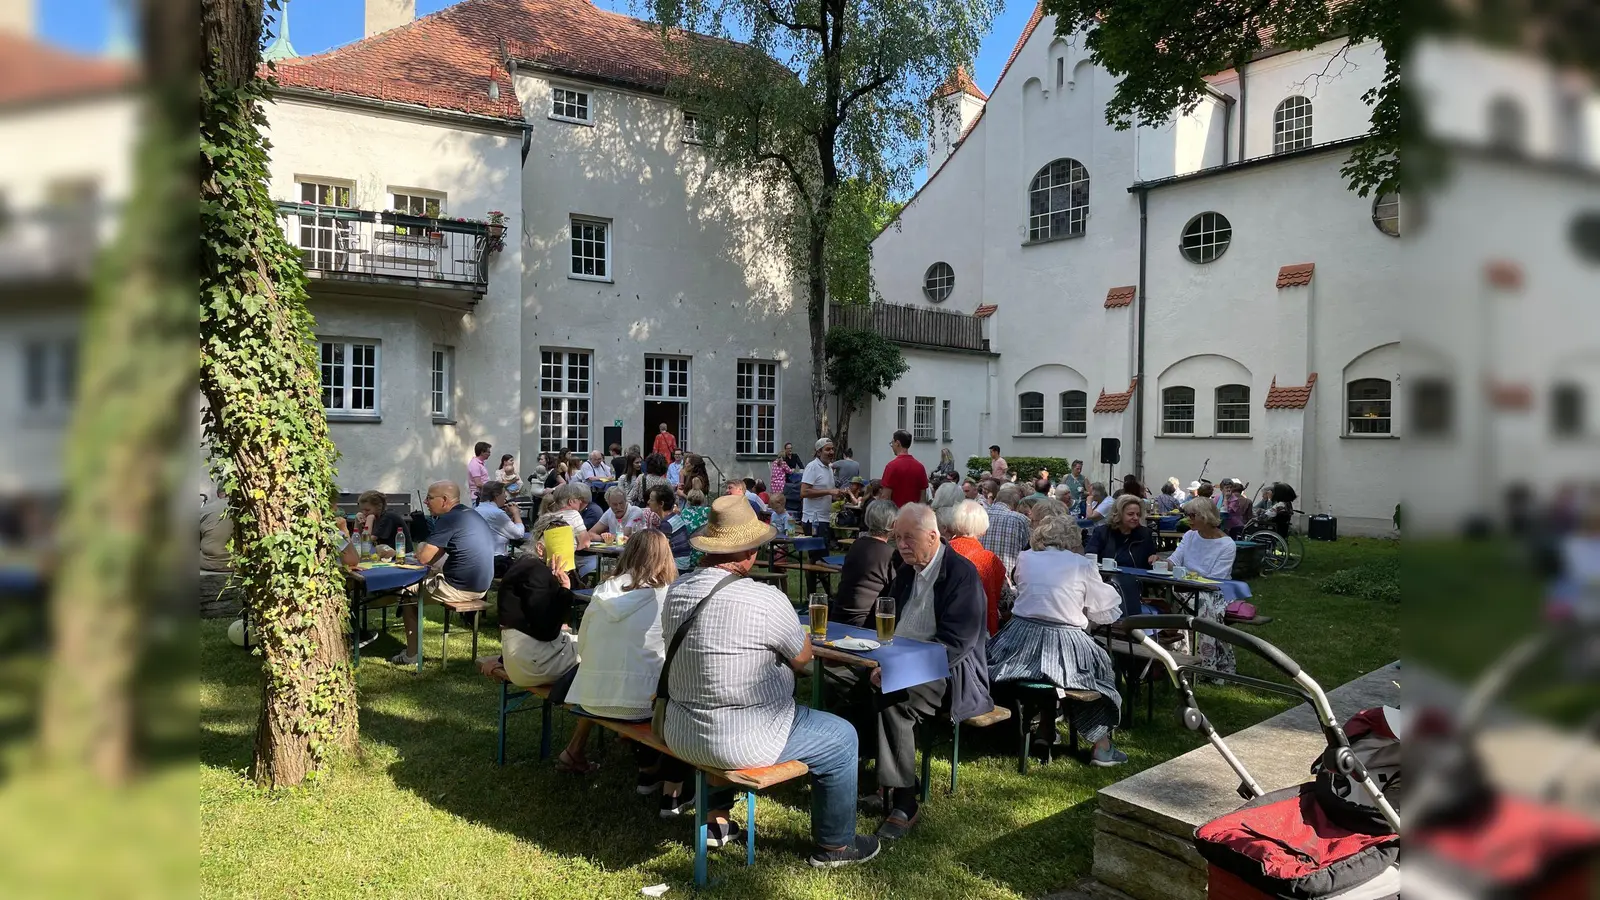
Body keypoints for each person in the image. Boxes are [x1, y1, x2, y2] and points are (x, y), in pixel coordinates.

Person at [660, 496, 880, 866]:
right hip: (742, 737)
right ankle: (835, 846)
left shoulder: (676, 591)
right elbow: (802, 658)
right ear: (747, 552)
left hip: (680, 729)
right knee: (842, 737)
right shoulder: (765, 599)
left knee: (725, 705)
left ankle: (717, 815)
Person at [855, 504, 991, 840]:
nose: (900, 544)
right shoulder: (906, 570)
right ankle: (875, 780)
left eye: (908, 538)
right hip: (900, 659)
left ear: (933, 537)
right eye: (897, 537)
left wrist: (900, 670)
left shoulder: (960, 573)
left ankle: (904, 800)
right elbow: (879, 620)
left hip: (948, 671)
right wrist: (880, 662)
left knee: (894, 698)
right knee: (846, 681)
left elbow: (957, 644)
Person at [988, 515, 1127, 766]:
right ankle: (1101, 746)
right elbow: (1105, 609)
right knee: (1101, 669)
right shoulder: (1080, 563)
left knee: (1046, 671)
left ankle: (1044, 730)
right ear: (1072, 538)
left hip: (1019, 640)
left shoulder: (1026, 557)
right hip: (1063, 639)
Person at [564, 530, 677, 786]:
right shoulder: (665, 596)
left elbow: (583, 643)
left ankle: (648, 765)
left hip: (591, 695)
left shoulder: (604, 590)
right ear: (665, 557)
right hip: (640, 701)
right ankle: (663, 776)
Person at [496, 514, 595, 772]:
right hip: (532, 660)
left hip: (522, 656)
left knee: (586, 644)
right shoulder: (536, 572)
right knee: (600, 656)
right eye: (562, 544)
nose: (569, 549)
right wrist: (564, 592)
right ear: (541, 547)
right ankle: (576, 750)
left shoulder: (528, 567)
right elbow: (546, 630)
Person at [396, 481, 494, 666]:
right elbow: (437, 555)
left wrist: (422, 547)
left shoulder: (449, 519)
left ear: (445, 500)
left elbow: (424, 558)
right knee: (425, 579)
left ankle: (411, 655)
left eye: (430, 498)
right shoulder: (470, 514)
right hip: (481, 586)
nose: (426, 502)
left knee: (406, 592)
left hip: (460, 588)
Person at [1170, 498, 1240, 674]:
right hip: (1185, 586)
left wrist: (1186, 575)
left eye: (1193, 516)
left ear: (1206, 516)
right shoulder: (1189, 535)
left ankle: (1207, 664)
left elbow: (1216, 578)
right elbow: (1175, 560)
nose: (1188, 519)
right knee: (1167, 599)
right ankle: (1178, 655)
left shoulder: (1227, 544)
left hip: (1215, 591)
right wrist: (1162, 562)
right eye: (1188, 515)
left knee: (1203, 605)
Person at [1086, 494, 1159, 617]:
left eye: (1138, 514)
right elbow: (1089, 556)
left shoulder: (1145, 534)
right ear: (1118, 514)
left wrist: (1154, 559)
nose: (1135, 518)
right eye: (1130, 514)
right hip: (1103, 584)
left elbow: (1149, 563)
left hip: (1134, 587)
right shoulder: (1103, 532)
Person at [831, 499, 900, 627]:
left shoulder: (856, 545)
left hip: (838, 616)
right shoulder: (890, 555)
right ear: (893, 524)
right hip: (865, 625)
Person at [943, 500, 1006, 636]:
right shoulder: (989, 559)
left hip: (943, 623)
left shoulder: (941, 552)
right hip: (978, 628)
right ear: (983, 529)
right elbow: (1003, 597)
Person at [800, 438, 844, 593]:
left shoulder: (829, 468)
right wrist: (829, 492)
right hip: (813, 520)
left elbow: (827, 493)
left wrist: (837, 496)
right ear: (818, 452)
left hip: (824, 519)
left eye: (832, 449)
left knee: (823, 558)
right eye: (827, 449)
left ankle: (824, 594)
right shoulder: (812, 467)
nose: (831, 452)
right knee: (817, 559)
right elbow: (804, 492)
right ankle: (817, 594)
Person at [473, 481, 526, 576]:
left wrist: (508, 515)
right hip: (497, 559)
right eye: (503, 493)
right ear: (496, 495)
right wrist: (516, 513)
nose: (505, 496)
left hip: (480, 558)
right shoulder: (497, 513)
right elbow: (518, 534)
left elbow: (498, 528)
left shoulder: (477, 509)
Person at [980, 483, 1031, 578]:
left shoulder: (981, 515)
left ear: (996, 500)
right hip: (1009, 577)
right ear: (1015, 505)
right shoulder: (1020, 519)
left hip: (982, 573)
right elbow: (1029, 551)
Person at [880, 430, 929, 507]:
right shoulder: (920, 467)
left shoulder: (891, 466)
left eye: (892, 443)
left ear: (898, 443)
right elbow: (922, 498)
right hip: (914, 516)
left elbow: (885, 497)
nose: (892, 445)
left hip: (896, 515)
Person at [645, 484, 693, 561]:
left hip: (677, 567)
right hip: (683, 562)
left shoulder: (666, 524)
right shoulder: (675, 517)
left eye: (651, 500)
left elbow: (660, 551)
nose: (648, 502)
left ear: (661, 504)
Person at [200, 489, 233, 571]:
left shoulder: (206, 509)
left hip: (210, 563)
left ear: (218, 494)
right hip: (240, 564)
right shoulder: (246, 509)